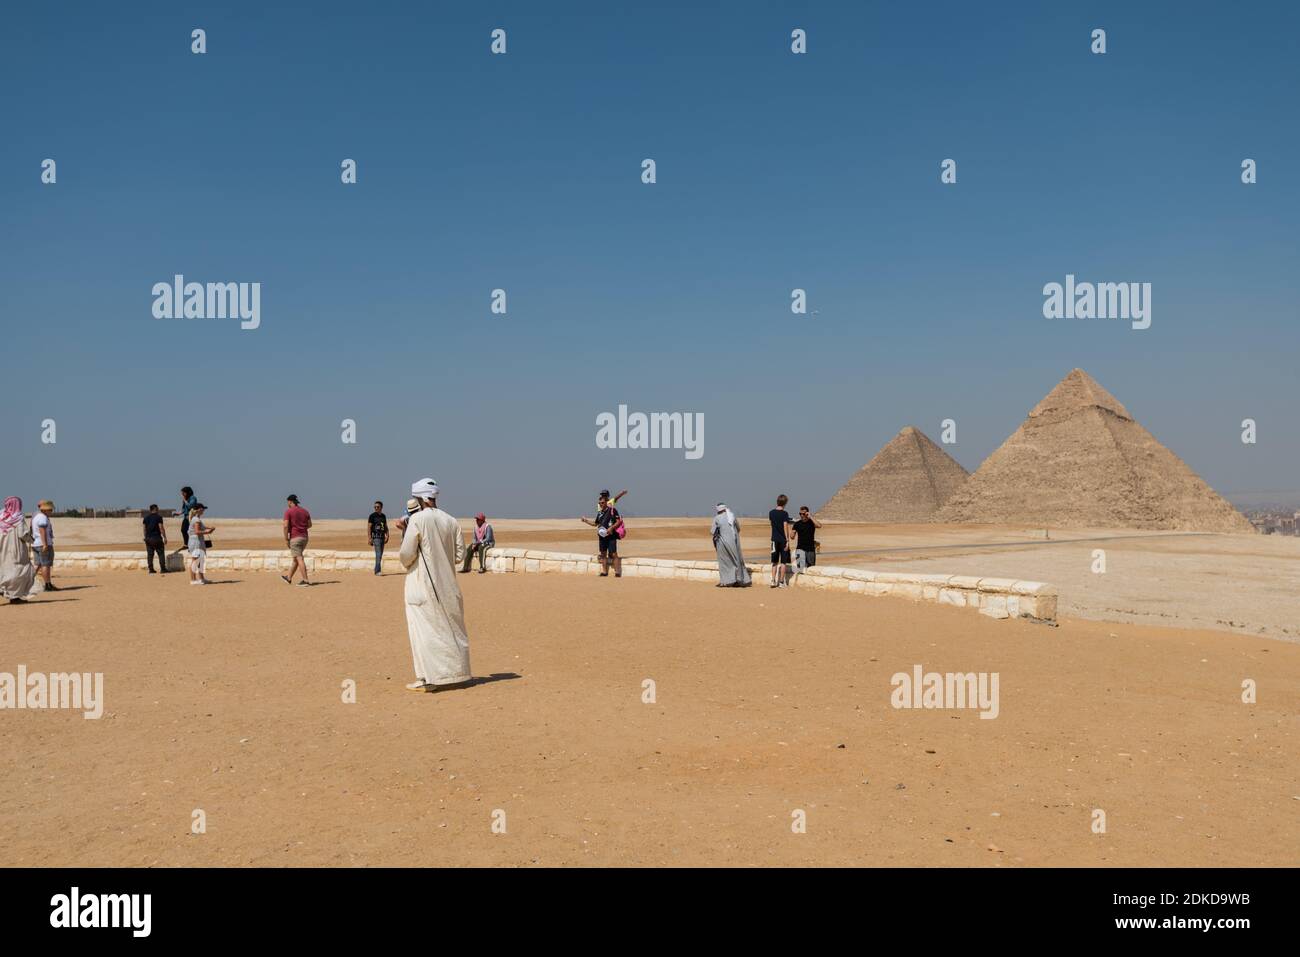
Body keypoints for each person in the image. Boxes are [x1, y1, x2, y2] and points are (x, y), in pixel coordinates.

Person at [399, 478, 472, 693]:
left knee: (423, 630)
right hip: (449, 585)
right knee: (451, 629)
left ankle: (427, 677)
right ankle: (458, 673)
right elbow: (459, 555)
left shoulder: (417, 520)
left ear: (420, 498)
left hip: (422, 585)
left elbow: (406, 554)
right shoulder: (451, 521)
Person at [0, 497, 40, 603]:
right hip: (15, 549)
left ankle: (6, 590)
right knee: (20, 570)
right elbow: (22, 534)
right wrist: (31, 540)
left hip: (2, 548)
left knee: (5, 569)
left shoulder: (1, 515)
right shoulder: (18, 517)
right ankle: (14, 596)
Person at [580, 489, 622, 577]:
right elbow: (595, 524)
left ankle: (617, 572)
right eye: (599, 503)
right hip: (602, 536)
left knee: (614, 553)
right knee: (603, 553)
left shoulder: (612, 510)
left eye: (602, 503)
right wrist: (585, 521)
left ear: (606, 502)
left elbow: (618, 522)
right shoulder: (599, 513)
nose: (600, 504)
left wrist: (611, 528)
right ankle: (604, 572)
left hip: (611, 536)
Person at [711, 503, 751, 587]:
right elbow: (738, 529)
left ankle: (725, 582)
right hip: (735, 543)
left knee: (724, 563)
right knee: (737, 561)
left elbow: (712, 531)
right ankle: (739, 580)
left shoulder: (717, 518)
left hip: (722, 544)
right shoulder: (732, 516)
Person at [281, 493, 312, 586]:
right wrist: (301, 526)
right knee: (296, 558)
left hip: (295, 537)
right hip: (304, 537)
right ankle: (288, 577)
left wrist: (286, 539)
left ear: (290, 502)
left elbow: (285, 526)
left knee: (299, 558)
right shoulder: (305, 511)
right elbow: (310, 525)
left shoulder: (288, 511)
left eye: (288, 502)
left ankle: (305, 580)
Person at [768, 494, 794, 588]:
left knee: (774, 562)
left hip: (774, 540)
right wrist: (787, 540)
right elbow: (785, 527)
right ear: (785, 503)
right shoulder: (784, 514)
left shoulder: (771, 513)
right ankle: (782, 582)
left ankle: (772, 581)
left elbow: (772, 524)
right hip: (782, 540)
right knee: (783, 562)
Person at [31, 500, 57, 591]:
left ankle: (27, 582)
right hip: (43, 544)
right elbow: (42, 531)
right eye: (50, 510)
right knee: (46, 564)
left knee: (37, 565)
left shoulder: (36, 516)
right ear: (46, 510)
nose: (51, 512)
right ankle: (47, 585)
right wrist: (45, 544)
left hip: (36, 544)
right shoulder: (43, 518)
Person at [187, 503, 214, 585]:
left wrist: (209, 528)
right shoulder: (196, 520)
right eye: (203, 509)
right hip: (196, 542)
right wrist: (208, 532)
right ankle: (193, 580)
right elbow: (197, 531)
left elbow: (201, 527)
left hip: (197, 541)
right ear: (199, 509)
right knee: (195, 560)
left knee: (200, 560)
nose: (204, 511)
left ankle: (201, 579)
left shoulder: (196, 519)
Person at [791, 505, 822, 576]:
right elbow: (792, 537)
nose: (801, 515)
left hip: (810, 549)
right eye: (800, 514)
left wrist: (810, 517)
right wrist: (792, 533)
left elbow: (819, 525)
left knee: (811, 569)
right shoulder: (797, 524)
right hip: (799, 549)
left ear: (807, 513)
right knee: (800, 569)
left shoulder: (811, 523)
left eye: (804, 514)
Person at [142, 504, 169, 574]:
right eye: (157, 509)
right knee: (161, 553)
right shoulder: (159, 517)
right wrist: (165, 537)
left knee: (150, 554)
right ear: (155, 509)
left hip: (148, 539)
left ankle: (151, 569)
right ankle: (163, 569)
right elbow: (161, 528)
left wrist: (145, 537)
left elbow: (144, 529)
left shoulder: (146, 518)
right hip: (157, 538)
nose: (158, 510)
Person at [367, 501, 389, 575]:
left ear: (381, 507)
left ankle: (376, 569)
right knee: (378, 554)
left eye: (378, 507)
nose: (376, 508)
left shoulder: (383, 516)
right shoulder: (372, 516)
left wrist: (387, 535)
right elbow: (369, 527)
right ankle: (377, 571)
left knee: (380, 554)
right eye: (375, 507)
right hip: (376, 537)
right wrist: (369, 538)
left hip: (382, 537)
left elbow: (385, 526)